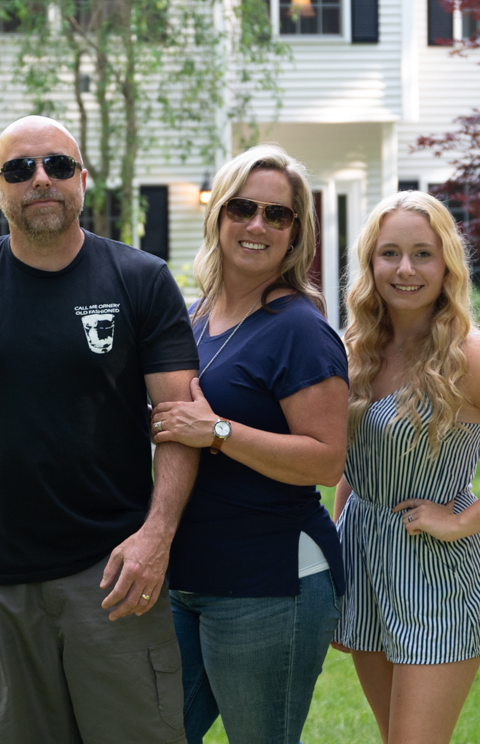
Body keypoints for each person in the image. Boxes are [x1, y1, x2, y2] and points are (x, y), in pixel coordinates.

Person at [0, 115, 200, 744]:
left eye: (57, 165)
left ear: (82, 179)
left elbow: (178, 423)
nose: (41, 180)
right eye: (19, 169)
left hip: (114, 572)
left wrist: (156, 537)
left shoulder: (140, 280)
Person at [334, 191, 480, 744]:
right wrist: (340, 562)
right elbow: (357, 465)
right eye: (389, 253)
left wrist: (463, 521)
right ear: (370, 263)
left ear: (447, 264)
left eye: (423, 253)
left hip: (437, 571)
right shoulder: (357, 349)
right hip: (366, 561)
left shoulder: (469, 355)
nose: (405, 269)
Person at [149, 144, 348, 744]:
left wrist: (217, 432)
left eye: (277, 215)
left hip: (270, 582)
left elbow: (324, 457)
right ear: (218, 217)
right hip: (187, 578)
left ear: (296, 233)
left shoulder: (300, 330)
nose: (257, 225)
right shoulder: (195, 317)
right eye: (242, 208)